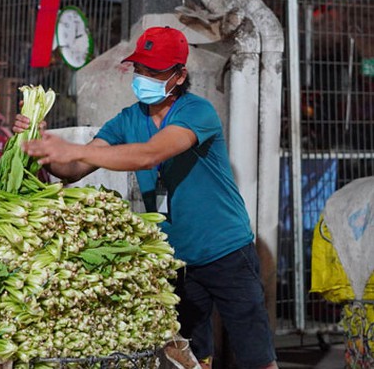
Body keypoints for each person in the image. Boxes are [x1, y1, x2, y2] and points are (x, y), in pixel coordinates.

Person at [15, 26, 278, 369]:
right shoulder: (128, 119)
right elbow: (75, 168)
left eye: (155, 72)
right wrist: (41, 145)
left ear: (179, 75)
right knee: (192, 356)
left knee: (255, 356)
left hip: (225, 250)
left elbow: (149, 155)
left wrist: (72, 149)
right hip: (177, 258)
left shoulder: (197, 112)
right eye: (140, 70)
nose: (144, 78)